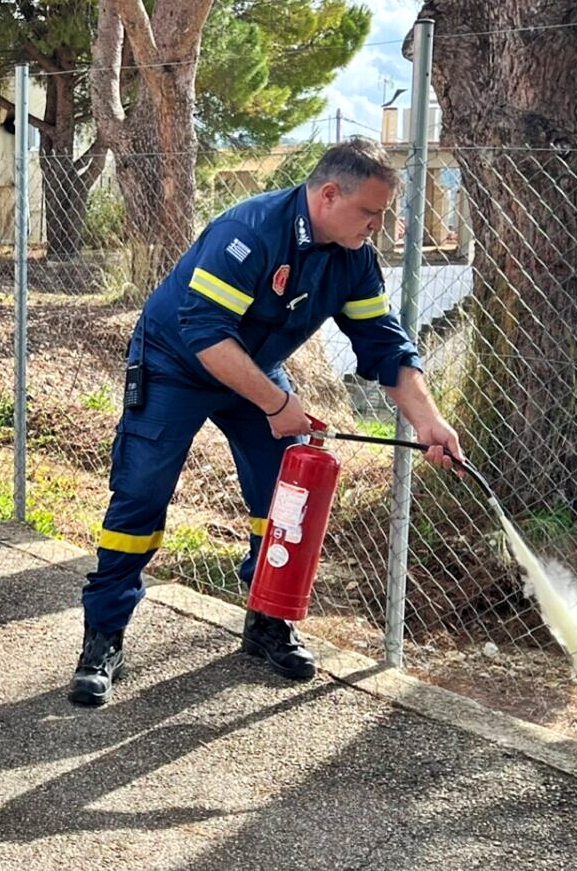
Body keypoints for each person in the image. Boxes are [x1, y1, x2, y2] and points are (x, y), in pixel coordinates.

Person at [70, 139, 463, 706]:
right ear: (329, 194)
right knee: (140, 497)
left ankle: (268, 620)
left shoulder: (354, 258)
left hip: (253, 367)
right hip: (177, 363)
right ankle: (104, 637)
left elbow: (384, 345)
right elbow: (206, 335)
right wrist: (279, 407)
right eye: (371, 212)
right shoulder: (251, 231)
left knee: (288, 496)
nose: (380, 225)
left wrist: (429, 420)